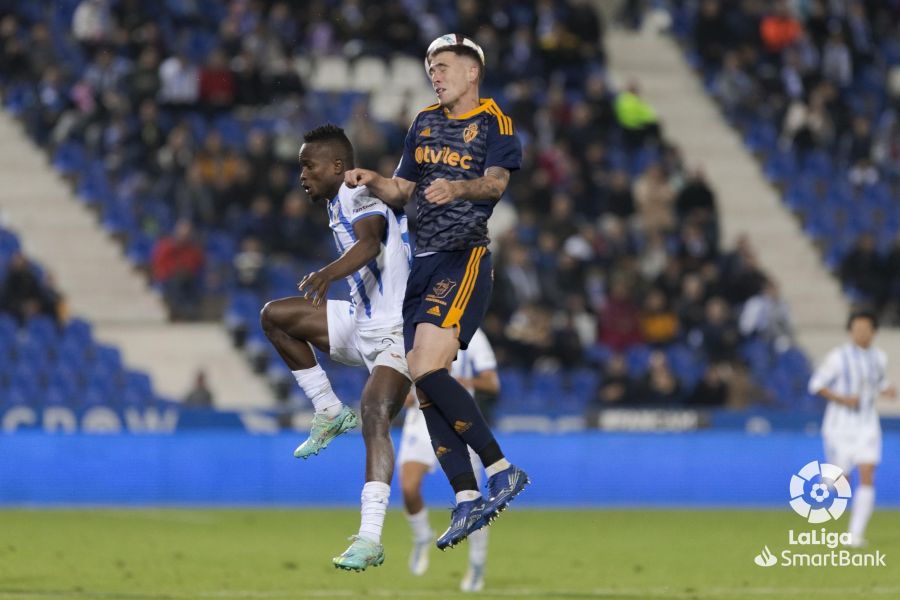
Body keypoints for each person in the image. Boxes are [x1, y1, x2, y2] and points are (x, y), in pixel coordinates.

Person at [344, 34, 529, 551]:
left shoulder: (495, 120)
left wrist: (457, 187)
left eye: (444, 66)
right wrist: (374, 179)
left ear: (473, 72)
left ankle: (501, 469)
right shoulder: (423, 122)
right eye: (431, 67)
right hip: (420, 266)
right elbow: (405, 191)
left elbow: (495, 185)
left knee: (423, 367)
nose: (436, 74)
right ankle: (467, 495)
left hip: (464, 256)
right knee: (426, 387)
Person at [260, 124, 412, 571]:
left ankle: (370, 536)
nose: (302, 174)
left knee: (375, 414)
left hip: (396, 331)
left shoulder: (354, 192)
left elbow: (371, 242)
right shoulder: (334, 204)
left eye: (309, 165)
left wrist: (328, 273)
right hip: (361, 321)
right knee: (275, 316)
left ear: (339, 167)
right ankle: (328, 410)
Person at [399, 328, 499, 593]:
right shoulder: (417, 328)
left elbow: (492, 383)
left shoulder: (474, 335)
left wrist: (462, 383)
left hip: (460, 422)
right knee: (408, 488)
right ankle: (422, 536)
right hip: (421, 421)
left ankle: (477, 564)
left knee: (473, 503)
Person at [808, 309, 897, 547]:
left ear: (874, 331)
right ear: (850, 331)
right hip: (840, 426)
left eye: (865, 329)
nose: (861, 333)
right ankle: (827, 483)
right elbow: (816, 385)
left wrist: (886, 389)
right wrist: (842, 399)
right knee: (841, 482)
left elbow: (877, 381)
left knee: (868, 473)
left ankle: (854, 534)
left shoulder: (879, 357)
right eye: (856, 329)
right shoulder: (838, 357)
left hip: (867, 424)